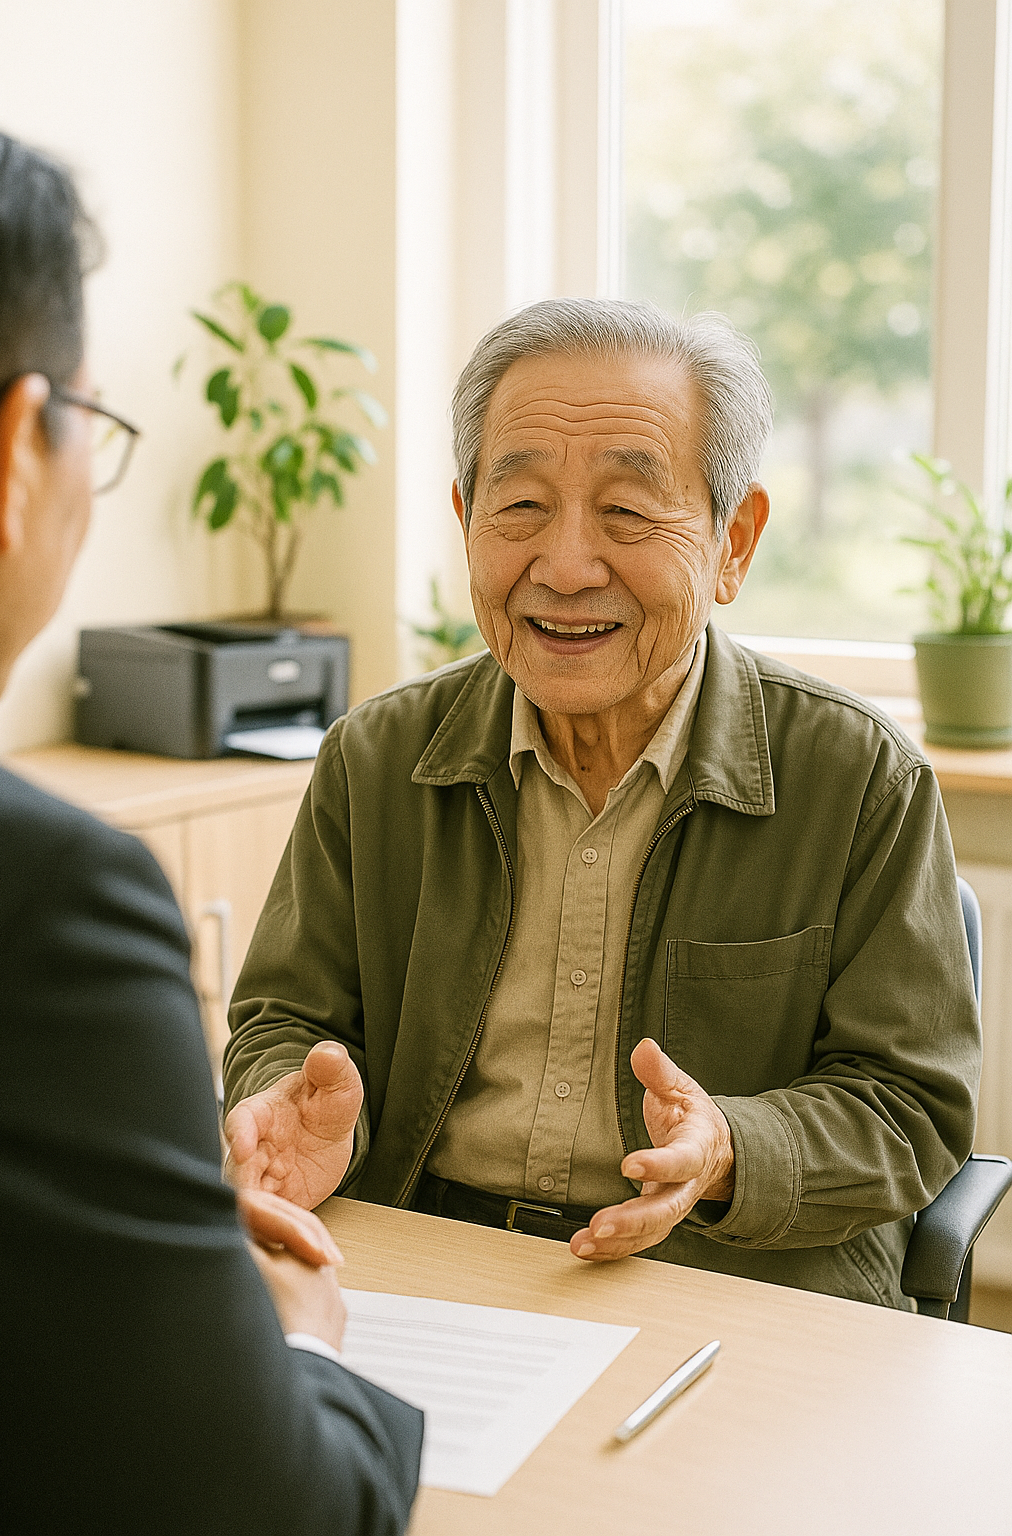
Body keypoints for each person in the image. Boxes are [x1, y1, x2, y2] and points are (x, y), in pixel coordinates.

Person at [223, 298, 981, 1311]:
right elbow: (286, 1017)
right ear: (466, 521)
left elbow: (909, 1109)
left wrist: (727, 1153)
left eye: (627, 511)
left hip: (721, 1275)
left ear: (732, 543)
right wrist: (293, 1106)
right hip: (418, 1252)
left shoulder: (858, 779)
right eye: (522, 506)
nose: (567, 565)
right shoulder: (377, 757)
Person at [0, 127, 421, 1532]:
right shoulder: (48, 899)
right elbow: (275, 1508)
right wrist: (294, 1330)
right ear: (16, 452)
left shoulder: (855, 773)